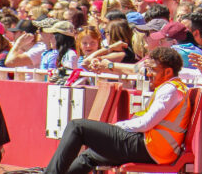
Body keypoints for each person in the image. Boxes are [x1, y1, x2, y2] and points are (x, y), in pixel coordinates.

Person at [42, 47, 190, 174]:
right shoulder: (174, 87)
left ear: (168, 72)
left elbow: (147, 123)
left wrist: (117, 126)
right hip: (153, 148)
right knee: (89, 156)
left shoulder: (170, 90)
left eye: (153, 70)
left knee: (77, 127)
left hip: (150, 148)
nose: (148, 74)